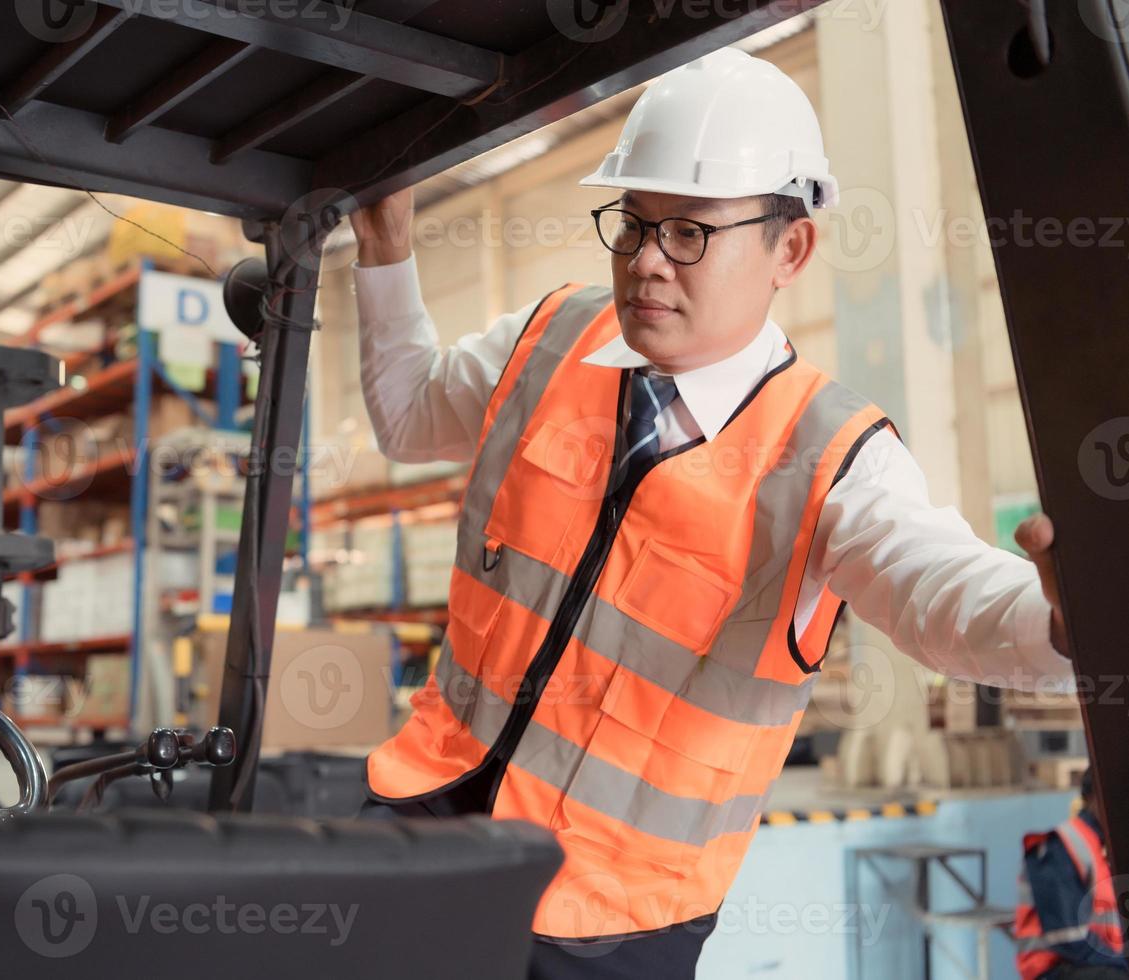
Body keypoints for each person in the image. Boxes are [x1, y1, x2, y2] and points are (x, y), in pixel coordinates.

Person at [348, 47, 1073, 979]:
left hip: (607, 914)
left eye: (689, 232)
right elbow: (409, 416)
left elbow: (939, 592)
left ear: (790, 248)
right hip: (423, 811)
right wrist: (384, 248)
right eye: (633, 225)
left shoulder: (832, 454)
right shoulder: (549, 336)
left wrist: (1063, 620)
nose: (647, 264)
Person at [1016, 769, 1128, 979]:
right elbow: (1068, 940)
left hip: (1102, 963)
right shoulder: (1059, 847)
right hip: (1057, 969)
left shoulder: (1111, 847)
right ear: (1093, 797)